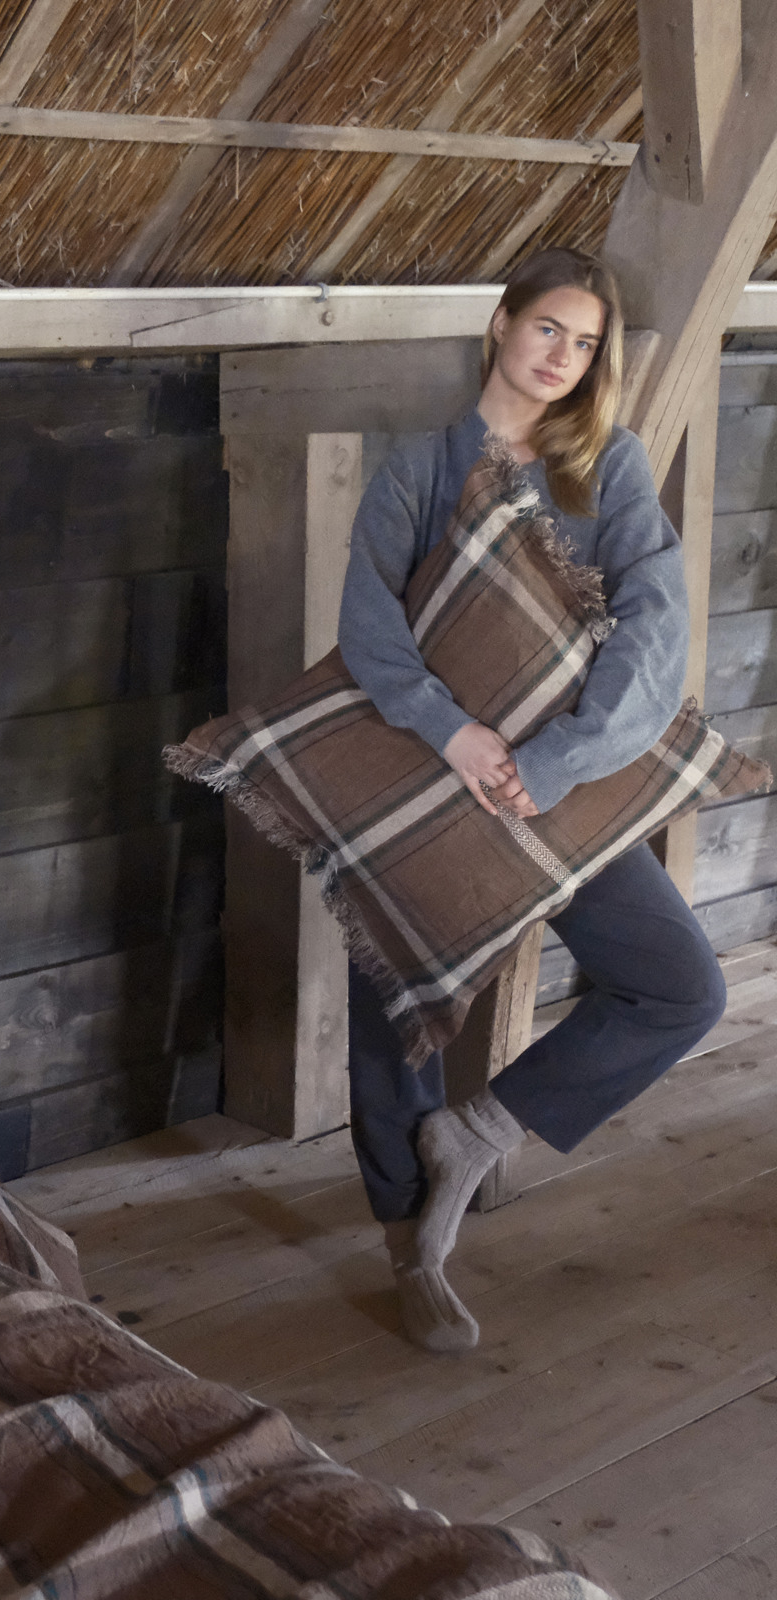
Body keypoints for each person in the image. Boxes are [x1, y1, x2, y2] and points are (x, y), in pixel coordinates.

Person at [335, 247, 726, 1354]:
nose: (564, 356)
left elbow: (653, 634)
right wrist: (452, 732)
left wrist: (548, 763)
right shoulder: (420, 468)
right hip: (430, 772)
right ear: (501, 324)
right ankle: (411, 1244)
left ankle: (475, 1137)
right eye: (548, 328)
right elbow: (369, 626)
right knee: (394, 990)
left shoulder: (609, 472)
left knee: (679, 986)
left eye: (586, 342)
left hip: (555, 785)